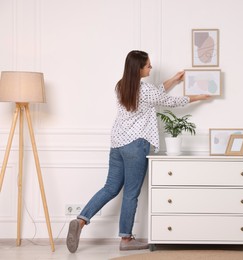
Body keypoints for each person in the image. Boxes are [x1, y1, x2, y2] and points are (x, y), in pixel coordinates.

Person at [66, 50, 210, 253]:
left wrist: (174, 79)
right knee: (131, 192)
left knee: (110, 188)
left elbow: (156, 93)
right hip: (136, 145)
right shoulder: (146, 91)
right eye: (148, 65)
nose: (151, 67)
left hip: (117, 144)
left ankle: (81, 220)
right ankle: (126, 238)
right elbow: (170, 101)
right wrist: (199, 97)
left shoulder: (122, 85)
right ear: (139, 68)